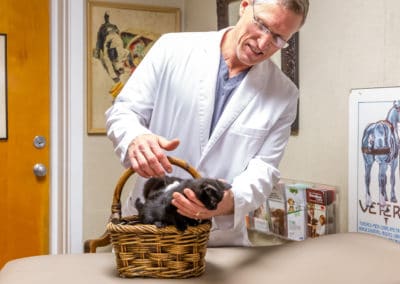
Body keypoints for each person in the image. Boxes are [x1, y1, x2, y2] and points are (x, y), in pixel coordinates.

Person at [105, 0, 309, 246]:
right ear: (244, 6)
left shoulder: (284, 94)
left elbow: (264, 168)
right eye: (262, 26)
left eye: (278, 38)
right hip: (149, 223)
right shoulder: (172, 49)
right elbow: (125, 110)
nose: (264, 43)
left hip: (216, 239)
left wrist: (230, 201)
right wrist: (135, 139)